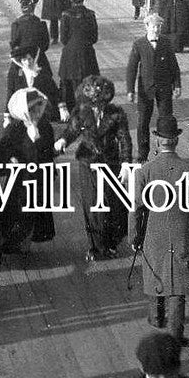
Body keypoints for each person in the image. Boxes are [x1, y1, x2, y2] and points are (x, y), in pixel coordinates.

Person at [130, 116, 189, 343]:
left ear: (157, 142)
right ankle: (175, 335)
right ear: (176, 141)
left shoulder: (144, 172)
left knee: (156, 271)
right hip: (181, 231)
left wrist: (134, 235)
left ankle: (156, 319)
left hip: (152, 232)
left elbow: (135, 207)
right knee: (178, 283)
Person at [55, 75, 133, 261]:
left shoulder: (116, 114)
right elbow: (72, 130)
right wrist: (63, 140)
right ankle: (96, 247)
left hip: (110, 163)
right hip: (88, 163)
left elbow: (124, 139)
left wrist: (126, 164)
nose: (97, 105)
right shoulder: (82, 112)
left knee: (113, 204)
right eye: (94, 101)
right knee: (92, 206)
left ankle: (111, 243)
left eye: (101, 101)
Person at [0, 88, 57, 252]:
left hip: (39, 178)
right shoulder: (14, 130)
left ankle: (25, 243)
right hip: (20, 180)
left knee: (33, 212)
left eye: (39, 108)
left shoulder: (45, 127)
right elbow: (1, 154)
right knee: (17, 211)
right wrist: (10, 160)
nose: (37, 112)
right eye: (32, 110)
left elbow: (49, 152)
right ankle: (16, 243)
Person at [126, 14, 182, 162]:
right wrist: (130, 90)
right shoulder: (139, 44)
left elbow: (174, 66)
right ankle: (142, 155)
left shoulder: (166, 43)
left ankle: (165, 153)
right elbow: (132, 68)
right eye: (153, 26)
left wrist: (177, 85)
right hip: (146, 89)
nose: (156, 29)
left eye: (159, 26)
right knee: (143, 121)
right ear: (147, 27)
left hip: (164, 88)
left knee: (166, 121)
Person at [57, 0, 100, 119]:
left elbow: (63, 38)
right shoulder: (90, 14)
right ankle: (87, 113)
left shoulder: (66, 15)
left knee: (69, 83)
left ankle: (73, 114)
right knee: (88, 83)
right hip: (87, 53)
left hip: (70, 55)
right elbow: (94, 37)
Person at [5, 44, 61, 125]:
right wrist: (7, 115)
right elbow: (10, 92)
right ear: (21, 61)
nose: (28, 62)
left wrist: (62, 106)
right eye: (24, 60)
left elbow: (54, 90)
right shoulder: (16, 74)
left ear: (33, 59)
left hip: (40, 111)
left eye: (29, 59)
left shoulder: (42, 73)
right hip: (23, 113)